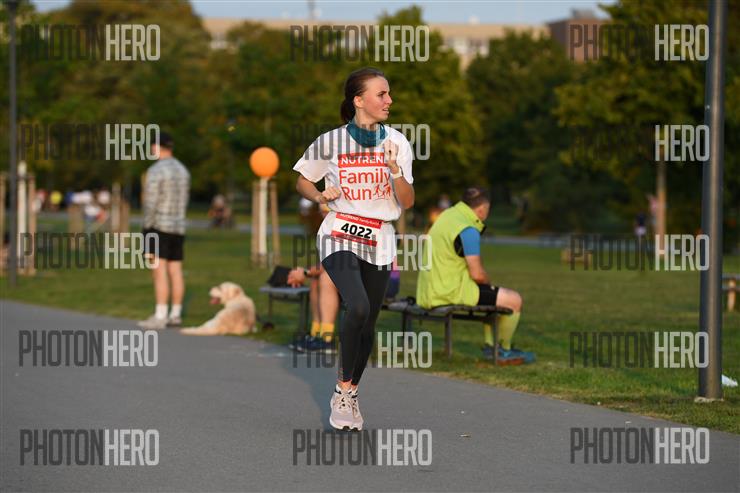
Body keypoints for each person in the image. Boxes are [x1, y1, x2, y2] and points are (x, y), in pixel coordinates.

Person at [293, 67, 414, 431]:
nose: (389, 100)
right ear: (359, 100)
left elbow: (407, 201)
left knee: (368, 320)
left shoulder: (398, 142)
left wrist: (394, 169)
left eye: (388, 93)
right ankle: (342, 390)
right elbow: (303, 181)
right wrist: (319, 195)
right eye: (381, 94)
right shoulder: (330, 141)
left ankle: (351, 391)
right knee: (357, 305)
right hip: (339, 232)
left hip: (379, 238)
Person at [416, 187, 534, 364]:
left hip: (429, 290)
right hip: (450, 291)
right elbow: (478, 275)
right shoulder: (468, 229)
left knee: (492, 296)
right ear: (482, 208)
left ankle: (491, 346)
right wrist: (487, 283)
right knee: (514, 300)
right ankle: (503, 350)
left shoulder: (448, 216)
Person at [138, 132, 190, 330]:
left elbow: (150, 203)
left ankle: (160, 315)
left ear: (156, 147)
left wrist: (146, 227)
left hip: (159, 226)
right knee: (176, 271)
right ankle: (175, 314)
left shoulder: (155, 170)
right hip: (178, 227)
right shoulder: (183, 170)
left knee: (159, 271)